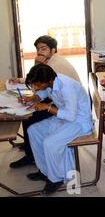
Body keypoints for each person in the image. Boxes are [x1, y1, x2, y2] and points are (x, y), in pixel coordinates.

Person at [9, 35, 80, 169]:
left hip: (70, 107)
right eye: (38, 49)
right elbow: (42, 84)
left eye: (44, 48)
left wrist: (37, 66)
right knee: (31, 113)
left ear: (53, 50)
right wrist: (32, 96)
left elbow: (40, 83)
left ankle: (31, 155)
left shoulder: (55, 64)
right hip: (61, 99)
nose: (40, 52)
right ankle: (31, 147)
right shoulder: (51, 62)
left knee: (31, 116)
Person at [25, 64, 93, 194]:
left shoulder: (67, 87)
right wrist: (34, 98)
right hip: (64, 118)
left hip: (79, 122)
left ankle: (55, 179)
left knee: (50, 143)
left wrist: (47, 107)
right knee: (33, 131)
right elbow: (45, 91)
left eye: (37, 84)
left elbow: (71, 116)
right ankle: (45, 171)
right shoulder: (52, 81)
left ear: (48, 81)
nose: (35, 88)